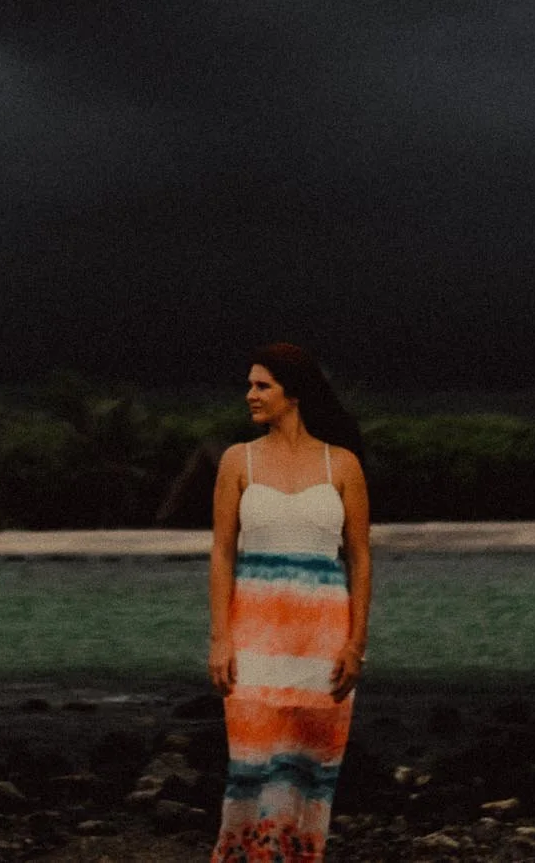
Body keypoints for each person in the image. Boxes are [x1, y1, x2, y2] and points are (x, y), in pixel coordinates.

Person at [205, 342, 372, 863]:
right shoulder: (238, 460)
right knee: (252, 768)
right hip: (254, 641)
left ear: (292, 393)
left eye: (262, 386)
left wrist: (355, 646)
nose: (249, 395)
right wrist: (220, 638)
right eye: (250, 385)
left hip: (321, 648)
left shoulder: (341, 464)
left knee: (306, 774)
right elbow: (221, 553)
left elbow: (361, 561)